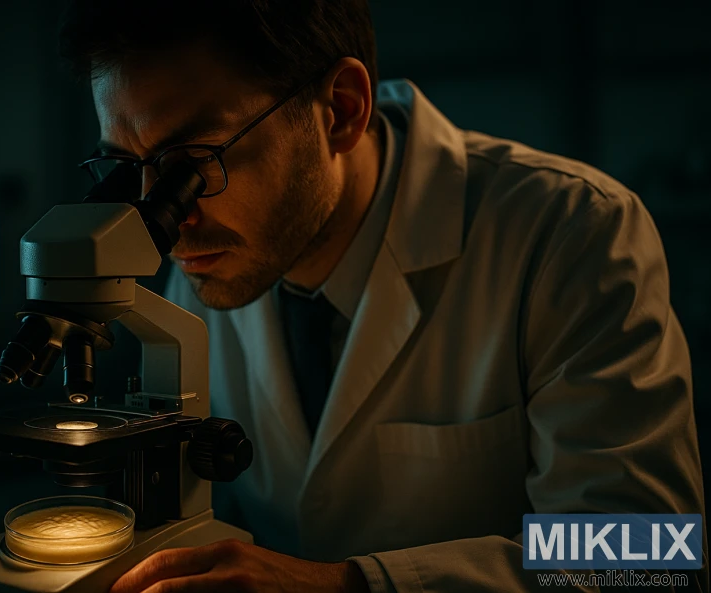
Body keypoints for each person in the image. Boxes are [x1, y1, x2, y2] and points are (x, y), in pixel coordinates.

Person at [59, 1, 707, 591]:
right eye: (127, 167)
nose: (164, 219)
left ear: (340, 110)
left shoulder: (569, 232)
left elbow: (646, 557)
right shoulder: (209, 248)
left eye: (187, 164)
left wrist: (352, 586)